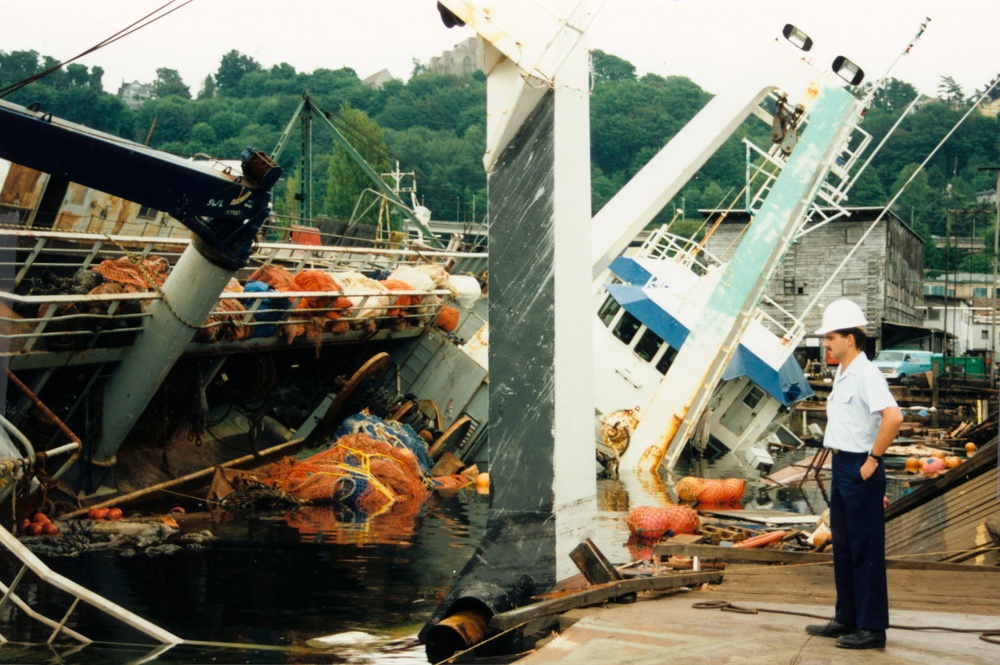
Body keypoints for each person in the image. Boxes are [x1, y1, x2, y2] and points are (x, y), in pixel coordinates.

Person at [805, 299, 903, 650]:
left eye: (830, 337)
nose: (826, 344)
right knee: (843, 546)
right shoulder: (844, 372)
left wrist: (873, 459)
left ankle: (872, 627)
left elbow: (893, 417)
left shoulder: (866, 374)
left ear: (850, 338)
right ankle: (847, 617)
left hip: (861, 466)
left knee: (865, 548)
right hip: (843, 464)